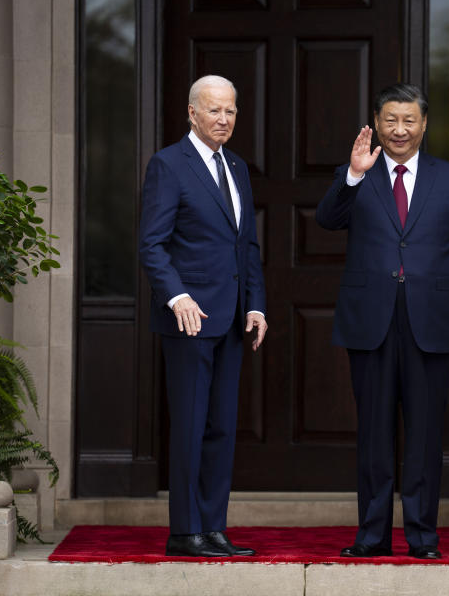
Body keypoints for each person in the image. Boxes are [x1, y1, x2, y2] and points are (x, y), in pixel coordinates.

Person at [316, 83, 449, 560]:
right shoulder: (358, 173)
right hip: (370, 321)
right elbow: (326, 220)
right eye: (390, 120)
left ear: (424, 125)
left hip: (431, 321)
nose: (400, 129)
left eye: (409, 120)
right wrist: (352, 174)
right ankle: (370, 537)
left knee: (426, 436)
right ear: (376, 122)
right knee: (373, 435)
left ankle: (423, 537)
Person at [139, 75, 267, 557]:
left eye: (231, 111)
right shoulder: (169, 165)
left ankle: (213, 528)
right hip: (189, 321)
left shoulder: (236, 167)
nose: (224, 119)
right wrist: (177, 298)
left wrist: (255, 304)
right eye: (214, 110)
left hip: (232, 319)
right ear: (191, 112)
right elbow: (152, 244)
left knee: (220, 429)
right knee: (191, 427)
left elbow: (247, 246)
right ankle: (184, 531)